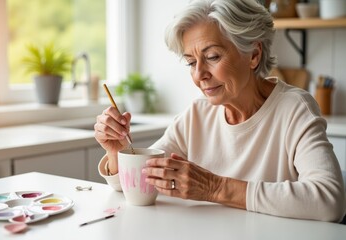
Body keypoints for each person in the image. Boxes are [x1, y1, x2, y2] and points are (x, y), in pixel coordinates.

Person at [94, 0, 346, 222]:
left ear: (254, 55)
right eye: (191, 62)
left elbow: (329, 200)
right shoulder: (196, 115)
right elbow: (146, 181)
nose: (199, 75)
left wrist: (215, 188)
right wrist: (118, 152)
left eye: (212, 57)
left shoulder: (294, 109)